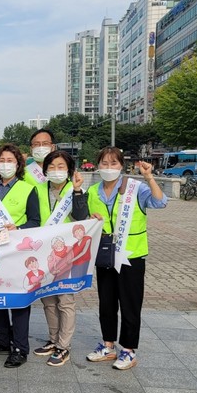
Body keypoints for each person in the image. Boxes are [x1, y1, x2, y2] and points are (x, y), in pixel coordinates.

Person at [86, 147, 167, 370]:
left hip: (131, 255)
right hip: (105, 254)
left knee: (130, 303)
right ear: (98, 166)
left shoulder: (135, 188)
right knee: (107, 302)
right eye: (104, 163)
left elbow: (160, 202)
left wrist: (149, 177)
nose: (108, 168)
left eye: (113, 163)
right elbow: (85, 219)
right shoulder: (92, 191)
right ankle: (108, 345)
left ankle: (129, 350)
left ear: (121, 165)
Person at [0, 143, 40, 368]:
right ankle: (2, 340)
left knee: (18, 300)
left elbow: (35, 221)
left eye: (10, 161)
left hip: (16, 252)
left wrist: (18, 228)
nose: (5, 164)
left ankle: (20, 347)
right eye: (1, 161)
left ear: (18, 164)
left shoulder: (28, 189)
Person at [32, 150, 88, 367]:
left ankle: (64, 346)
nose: (56, 171)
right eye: (52, 167)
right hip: (44, 254)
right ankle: (53, 339)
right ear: (45, 170)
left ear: (69, 170)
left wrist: (77, 191)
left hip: (67, 255)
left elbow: (81, 217)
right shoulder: (38, 189)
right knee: (48, 299)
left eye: (61, 166)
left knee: (65, 301)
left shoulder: (76, 190)